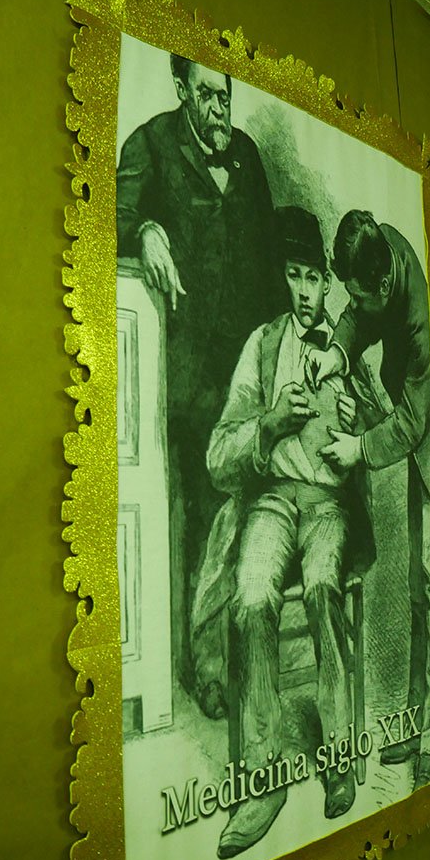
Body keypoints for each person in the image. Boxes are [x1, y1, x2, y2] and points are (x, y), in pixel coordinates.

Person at [194, 206, 374, 859]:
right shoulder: (262, 345)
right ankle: (263, 780)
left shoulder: (345, 348)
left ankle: (338, 753)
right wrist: (268, 424)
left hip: (326, 504)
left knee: (323, 588)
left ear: (328, 281)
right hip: (271, 500)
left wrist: (355, 422)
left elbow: (377, 441)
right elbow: (218, 456)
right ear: (285, 278)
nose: (303, 290)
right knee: (250, 598)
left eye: (312, 277)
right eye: (293, 276)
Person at [116, 53, 278, 691]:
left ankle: (253, 662)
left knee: (260, 509)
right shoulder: (151, 145)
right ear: (182, 88)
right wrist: (145, 230)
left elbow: (270, 261)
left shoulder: (246, 156)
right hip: (190, 379)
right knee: (206, 520)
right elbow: (104, 219)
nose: (219, 108)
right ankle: (207, 672)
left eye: (226, 96)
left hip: (249, 374)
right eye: (208, 95)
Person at [309, 209, 430, 791]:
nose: (355, 302)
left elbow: (412, 422)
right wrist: (336, 353)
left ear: (385, 284)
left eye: (363, 294)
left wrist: (359, 448)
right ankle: (417, 720)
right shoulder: (378, 245)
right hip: (414, 423)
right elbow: (355, 315)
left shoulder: (418, 321)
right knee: (416, 586)